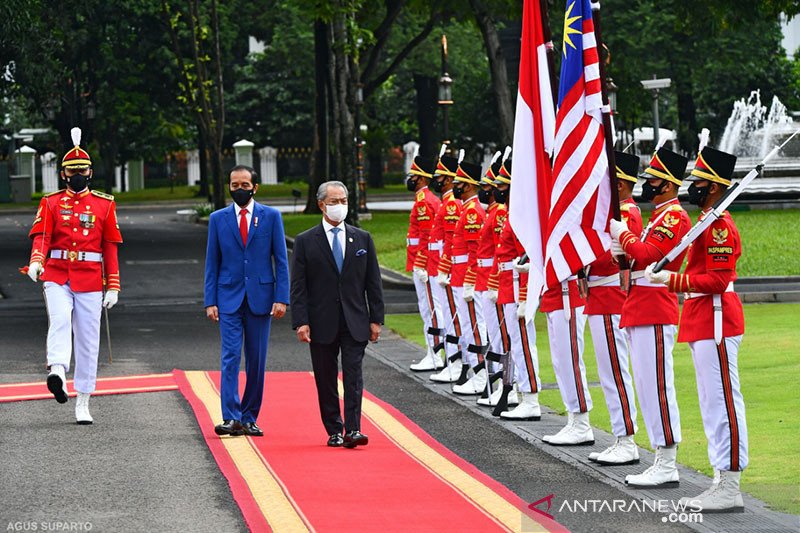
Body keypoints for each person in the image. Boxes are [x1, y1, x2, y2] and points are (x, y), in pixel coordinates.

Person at [645, 146, 748, 512]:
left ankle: (730, 481)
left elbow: (718, 280)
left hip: (717, 317)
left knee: (722, 404)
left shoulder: (719, 227)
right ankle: (722, 479)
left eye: (701, 182)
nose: (695, 187)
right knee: (710, 403)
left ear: (716, 187)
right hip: (703, 317)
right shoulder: (707, 220)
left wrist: (672, 280)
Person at [26, 127, 122, 424]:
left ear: (90, 172)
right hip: (56, 273)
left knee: (88, 339)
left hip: (91, 278)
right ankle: (56, 369)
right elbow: (41, 236)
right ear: (64, 174)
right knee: (60, 319)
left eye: (82, 170)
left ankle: (83, 400)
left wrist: (114, 285)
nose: (77, 175)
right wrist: (36, 261)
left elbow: (110, 247)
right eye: (71, 171)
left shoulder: (105, 204)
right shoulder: (51, 202)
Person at [609, 147, 691, 488]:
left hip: (655, 306)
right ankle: (660, 455)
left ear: (668, 185)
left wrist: (621, 235)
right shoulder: (658, 215)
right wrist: (622, 255)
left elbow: (649, 254)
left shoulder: (674, 217)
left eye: (654, 179)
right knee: (645, 384)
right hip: (640, 304)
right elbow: (638, 261)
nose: (648, 184)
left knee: (657, 385)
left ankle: (667, 460)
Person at [290, 181, 384, 448]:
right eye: (334, 201)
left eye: (343, 200)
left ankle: (354, 428)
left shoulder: (362, 238)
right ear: (321, 204)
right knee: (326, 377)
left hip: (355, 319)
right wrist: (301, 321)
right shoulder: (306, 241)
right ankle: (334, 429)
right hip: (321, 320)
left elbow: (373, 282)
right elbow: (299, 286)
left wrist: (376, 318)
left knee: (354, 375)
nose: (339, 206)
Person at [204, 165, 289, 437]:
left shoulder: (271, 217)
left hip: (261, 299)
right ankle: (231, 417)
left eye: (244, 184)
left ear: (255, 187)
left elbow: (281, 261)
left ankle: (250, 416)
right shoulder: (218, 219)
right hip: (227, 297)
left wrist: (281, 298)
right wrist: (210, 301)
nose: (239, 189)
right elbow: (211, 264)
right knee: (229, 357)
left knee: (256, 360)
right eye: (234, 185)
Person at [584, 151, 642, 465]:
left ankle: (627, 439)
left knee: (615, 372)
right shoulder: (615, 213)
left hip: (609, 298)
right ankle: (621, 436)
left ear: (620, 185)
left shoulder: (627, 213)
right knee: (608, 372)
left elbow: (614, 258)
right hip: (600, 297)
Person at [444, 158, 489, 396]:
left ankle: (481, 373)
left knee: (474, 326)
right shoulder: (466, 209)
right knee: (469, 326)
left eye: (460, 182)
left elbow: (474, 252)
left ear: (470, 186)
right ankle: (476, 370)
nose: (455, 186)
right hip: (461, 276)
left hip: (467, 278)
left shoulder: (472, 212)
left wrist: (470, 280)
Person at [405, 155, 445, 372]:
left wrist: (421, 262)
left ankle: (435, 353)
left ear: (420, 178)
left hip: (425, 263)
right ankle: (435, 351)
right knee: (430, 308)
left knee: (430, 308)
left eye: (413, 176)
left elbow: (427, 236)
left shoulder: (424, 202)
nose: (410, 180)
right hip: (423, 262)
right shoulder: (426, 200)